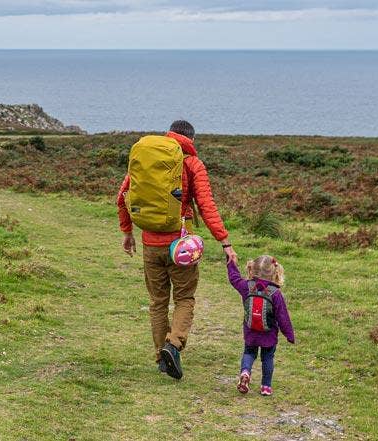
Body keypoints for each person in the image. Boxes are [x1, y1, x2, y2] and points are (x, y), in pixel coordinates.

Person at [116, 120, 237, 380]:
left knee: (158, 302)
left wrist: (127, 232)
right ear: (192, 139)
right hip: (182, 245)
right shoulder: (193, 164)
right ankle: (174, 345)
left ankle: (162, 357)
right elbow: (206, 205)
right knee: (184, 298)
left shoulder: (149, 159)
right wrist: (225, 241)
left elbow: (122, 197)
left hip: (150, 242)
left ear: (169, 134)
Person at [227, 255, 294, 395]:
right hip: (269, 334)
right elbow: (283, 317)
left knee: (249, 353)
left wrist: (231, 263)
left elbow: (234, 279)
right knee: (268, 358)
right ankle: (266, 387)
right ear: (275, 272)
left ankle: (245, 372)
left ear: (252, 269)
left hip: (250, 330)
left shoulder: (247, 286)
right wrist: (289, 334)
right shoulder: (275, 294)